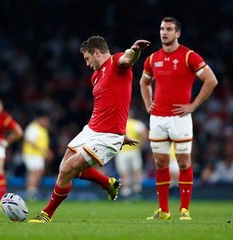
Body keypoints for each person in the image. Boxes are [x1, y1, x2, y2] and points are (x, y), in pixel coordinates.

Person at [29, 35, 150, 223]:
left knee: (67, 170)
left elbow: (128, 57)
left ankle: (47, 214)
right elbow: (110, 104)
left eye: (87, 58)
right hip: (91, 129)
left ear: (96, 52)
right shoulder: (95, 76)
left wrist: (135, 50)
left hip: (108, 136)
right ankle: (107, 182)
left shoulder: (116, 62)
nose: (87, 63)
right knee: (64, 169)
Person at [139, 17, 218, 220]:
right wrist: (148, 104)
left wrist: (193, 105)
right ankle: (164, 211)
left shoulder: (188, 56)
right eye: (162, 28)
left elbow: (211, 80)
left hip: (180, 118)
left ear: (178, 33)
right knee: (160, 163)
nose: (164, 32)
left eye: (169, 29)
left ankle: (184, 209)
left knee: (183, 163)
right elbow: (144, 82)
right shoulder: (152, 58)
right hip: (157, 119)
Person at [114, 113, 148, 199]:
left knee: (124, 172)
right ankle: (137, 191)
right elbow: (145, 134)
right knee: (136, 171)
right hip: (134, 150)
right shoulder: (136, 124)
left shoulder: (118, 123)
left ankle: (126, 193)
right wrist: (141, 145)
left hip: (122, 152)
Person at [22, 111, 53, 201]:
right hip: (30, 154)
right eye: (46, 120)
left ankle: (32, 190)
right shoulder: (33, 127)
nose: (47, 123)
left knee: (38, 171)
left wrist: (46, 151)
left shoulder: (42, 129)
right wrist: (43, 150)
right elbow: (29, 141)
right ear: (40, 119)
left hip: (38, 154)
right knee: (34, 171)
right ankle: (30, 192)